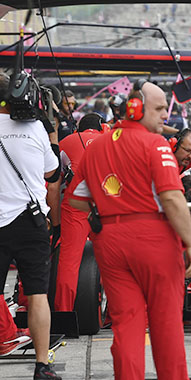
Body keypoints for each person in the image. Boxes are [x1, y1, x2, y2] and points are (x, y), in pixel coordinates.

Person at [68, 81, 191, 379]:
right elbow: (171, 197)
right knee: (166, 324)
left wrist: (101, 212)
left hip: (110, 241)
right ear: (135, 107)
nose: (163, 116)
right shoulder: (155, 144)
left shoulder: (97, 145)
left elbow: (76, 198)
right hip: (154, 239)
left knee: (126, 325)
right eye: (157, 109)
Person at [0, 73, 62, 379]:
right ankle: (42, 365)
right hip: (31, 219)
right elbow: (53, 173)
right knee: (38, 295)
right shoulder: (36, 128)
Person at [54, 113, 105, 313]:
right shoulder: (110, 141)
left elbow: (52, 182)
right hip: (108, 206)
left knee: (69, 262)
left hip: (76, 205)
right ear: (101, 128)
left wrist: (55, 222)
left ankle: (64, 313)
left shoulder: (66, 141)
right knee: (117, 260)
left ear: (78, 129)